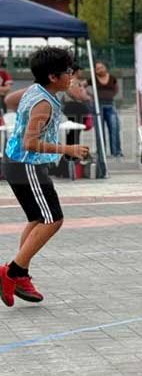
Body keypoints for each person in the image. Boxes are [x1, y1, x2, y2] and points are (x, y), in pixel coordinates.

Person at [1, 47, 89, 307]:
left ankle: (20, 274)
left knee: (38, 218)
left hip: (17, 163)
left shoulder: (37, 91)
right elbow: (30, 143)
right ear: (53, 76)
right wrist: (67, 149)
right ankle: (11, 272)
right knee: (53, 220)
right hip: (26, 164)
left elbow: (9, 100)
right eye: (68, 72)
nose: (71, 76)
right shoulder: (44, 103)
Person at [94, 61, 122, 158]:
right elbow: (82, 86)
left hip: (110, 105)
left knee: (114, 128)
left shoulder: (112, 78)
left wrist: (111, 95)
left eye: (101, 67)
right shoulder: (93, 79)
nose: (99, 70)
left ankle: (116, 151)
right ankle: (101, 151)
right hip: (99, 106)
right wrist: (90, 96)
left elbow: (117, 88)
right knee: (99, 130)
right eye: (97, 68)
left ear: (105, 67)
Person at [60, 65, 91, 150]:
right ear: (76, 71)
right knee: (74, 130)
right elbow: (76, 94)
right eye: (81, 70)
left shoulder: (75, 81)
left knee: (75, 130)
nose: (82, 72)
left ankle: (73, 149)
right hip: (74, 107)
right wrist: (87, 98)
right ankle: (72, 150)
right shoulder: (73, 82)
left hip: (76, 107)